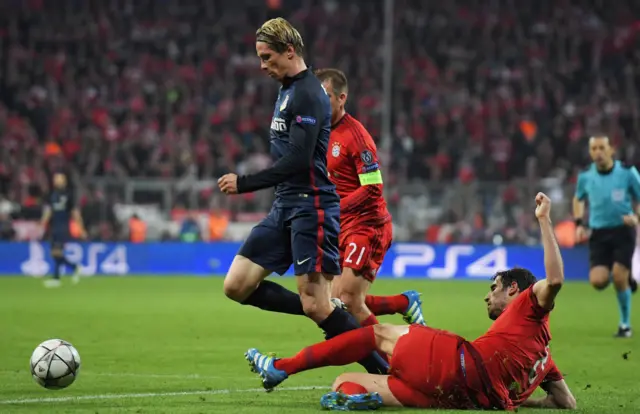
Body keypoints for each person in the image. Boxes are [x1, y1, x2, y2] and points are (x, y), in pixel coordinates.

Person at [246, 193, 577, 411]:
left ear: (514, 290)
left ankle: (280, 368)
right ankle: (361, 398)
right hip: (460, 400)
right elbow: (566, 403)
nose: (488, 295)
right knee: (345, 383)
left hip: (458, 363)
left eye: (495, 288)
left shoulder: (531, 305)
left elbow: (556, 279)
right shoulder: (544, 358)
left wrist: (543, 219)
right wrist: (519, 401)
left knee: (376, 336)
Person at [217, 18, 387, 374]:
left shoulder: (309, 93)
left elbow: (298, 159)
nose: (262, 65)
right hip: (285, 205)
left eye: (267, 57)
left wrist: (245, 183)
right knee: (236, 285)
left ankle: (383, 372)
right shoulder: (286, 89)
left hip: (311, 207)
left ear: (289, 51)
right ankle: (330, 312)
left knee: (317, 306)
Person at [314, 67, 425, 327]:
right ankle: (403, 304)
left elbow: (373, 188)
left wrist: (334, 209)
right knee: (331, 303)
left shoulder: (357, 137)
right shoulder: (317, 132)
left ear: (341, 98)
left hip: (367, 224)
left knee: (348, 300)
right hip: (339, 225)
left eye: (326, 96)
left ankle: (393, 358)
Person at [573, 136, 640, 338]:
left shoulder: (627, 173)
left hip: (622, 230)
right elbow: (578, 198)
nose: (598, 152)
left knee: (618, 277)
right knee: (598, 281)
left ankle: (625, 325)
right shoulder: (585, 177)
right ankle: (626, 278)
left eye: (602, 147)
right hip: (599, 233)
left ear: (611, 150)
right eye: (594, 148)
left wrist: (636, 217)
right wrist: (578, 223)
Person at [40, 172, 86, 288]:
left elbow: (75, 213)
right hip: (54, 226)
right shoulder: (51, 194)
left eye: (59, 178)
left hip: (63, 226)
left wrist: (81, 228)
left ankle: (63, 274)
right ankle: (70, 270)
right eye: (56, 178)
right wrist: (43, 222)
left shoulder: (69, 195)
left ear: (64, 181)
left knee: (57, 252)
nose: (57, 180)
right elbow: (48, 210)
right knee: (54, 253)